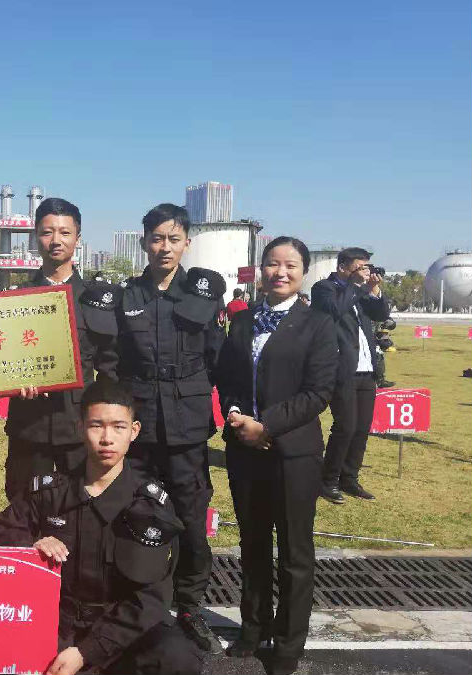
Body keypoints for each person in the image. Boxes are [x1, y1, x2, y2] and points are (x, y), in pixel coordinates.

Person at [0, 380, 203, 675]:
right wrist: (30, 546)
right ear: (79, 428)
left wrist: (88, 651)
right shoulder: (52, 492)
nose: (107, 439)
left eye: (119, 427)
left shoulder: (149, 506)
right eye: (97, 426)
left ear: (134, 431)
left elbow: (149, 599)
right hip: (57, 625)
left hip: (119, 633)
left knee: (177, 656)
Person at [215, 236, 338, 675]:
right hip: (244, 451)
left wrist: (265, 425)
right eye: (272, 263)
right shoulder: (242, 321)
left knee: (294, 551)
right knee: (252, 544)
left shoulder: (319, 324)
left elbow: (318, 392)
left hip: (293, 455)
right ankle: (253, 628)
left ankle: (287, 643)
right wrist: (235, 414)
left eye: (290, 265)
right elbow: (228, 378)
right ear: (261, 269)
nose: (279, 272)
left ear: (304, 271)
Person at [113, 203, 225, 653]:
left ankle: (191, 606)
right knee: (135, 515)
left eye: (173, 239)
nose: (165, 246)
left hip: (186, 427)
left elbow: (217, 357)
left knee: (191, 521)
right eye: (157, 238)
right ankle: (139, 603)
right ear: (144, 242)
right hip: (139, 428)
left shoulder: (202, 295)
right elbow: (114, 362)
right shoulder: (126, 296)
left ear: (186, 244)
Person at [3, 197, 118, 500]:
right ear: (35, 237)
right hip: (28, 423)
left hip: (78, 426)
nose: (56, 240)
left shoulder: (94, 299)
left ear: (78, 238)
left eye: (65, 232)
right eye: (47, 232)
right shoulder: (14, 300)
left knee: (82, 506)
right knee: (24, 507)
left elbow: (110, 366)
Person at [311, 247, 390, 503]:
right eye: (361, 267)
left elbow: (382, 315)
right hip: (341, 368)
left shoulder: (360, 291)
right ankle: (328, 480)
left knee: (362, 429)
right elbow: (334, 310)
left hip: (367, 369)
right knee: (345, 426)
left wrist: (374, 290)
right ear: (343, 267)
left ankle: (349, 478)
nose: (365, 272)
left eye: (367, 267)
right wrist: (356, 286)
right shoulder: (324, 288)